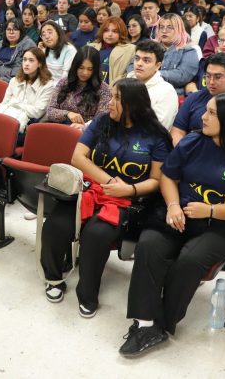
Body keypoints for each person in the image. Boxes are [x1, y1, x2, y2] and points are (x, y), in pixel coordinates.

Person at [120, 92, 225, 357]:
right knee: (149, 245)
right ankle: (143, 323)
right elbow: (168, 176)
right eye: (205, 110)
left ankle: (161, 325)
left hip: (222, 224)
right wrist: (173, 206)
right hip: (180, 212)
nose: (203, 117)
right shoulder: (193, 141)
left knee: (190, 260)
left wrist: (210, 210)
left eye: (211, 113)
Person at [40, 78, 172, 317]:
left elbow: (157, 180)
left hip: (126, 200)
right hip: (91, 190)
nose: (110, 102)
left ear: (134, 104)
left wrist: (129, 190)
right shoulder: (102, 122)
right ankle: (54, 278)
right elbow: (78, 158)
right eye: (111, 96)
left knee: (96, 235)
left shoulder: (156, 136)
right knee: (55, 225)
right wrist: (109, 182)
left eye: (117, 98)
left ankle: (87, 294)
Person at [46, 46, 111, 131]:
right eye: (81, 68)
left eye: (90, 69)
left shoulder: (104, 89)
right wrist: (68, 114)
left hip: (85, 133)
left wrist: (84, 127)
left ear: (95, 70)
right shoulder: (64, 82)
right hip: (59, 128)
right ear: (75, 66)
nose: (85, 73)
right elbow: (50, 111)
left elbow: (100, 121)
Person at [0, 46, 56, 133]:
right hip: (6, 118)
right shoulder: (14, 80)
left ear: (40, 64)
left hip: (28, 126)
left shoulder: (48, 85)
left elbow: (38, 112)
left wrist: (15, 103)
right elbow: (4, 103)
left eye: (31, 60)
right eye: (24, 60)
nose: (26, 63)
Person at [127, 39, 178, 130]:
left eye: (146, 60)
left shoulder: (166, 92)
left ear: (158, 66)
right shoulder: (125, 83)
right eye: (137, 58)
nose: (139, 63)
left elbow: (157, 128)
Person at [155, 13, 199, 95]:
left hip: (172, 94)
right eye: (161, 27)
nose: (164, 31)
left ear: (179, 29)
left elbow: (183, 75)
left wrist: (154, 74)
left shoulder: (189, 50)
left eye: (169, 27)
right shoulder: (151, 47)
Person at [88, 16, 136, 85]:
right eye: (106, 30)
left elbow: (130, 74)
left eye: (114, 31)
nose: (110, 34)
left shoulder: (131, 49)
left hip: (115, 88)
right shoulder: (91, 47)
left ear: (121, 33)